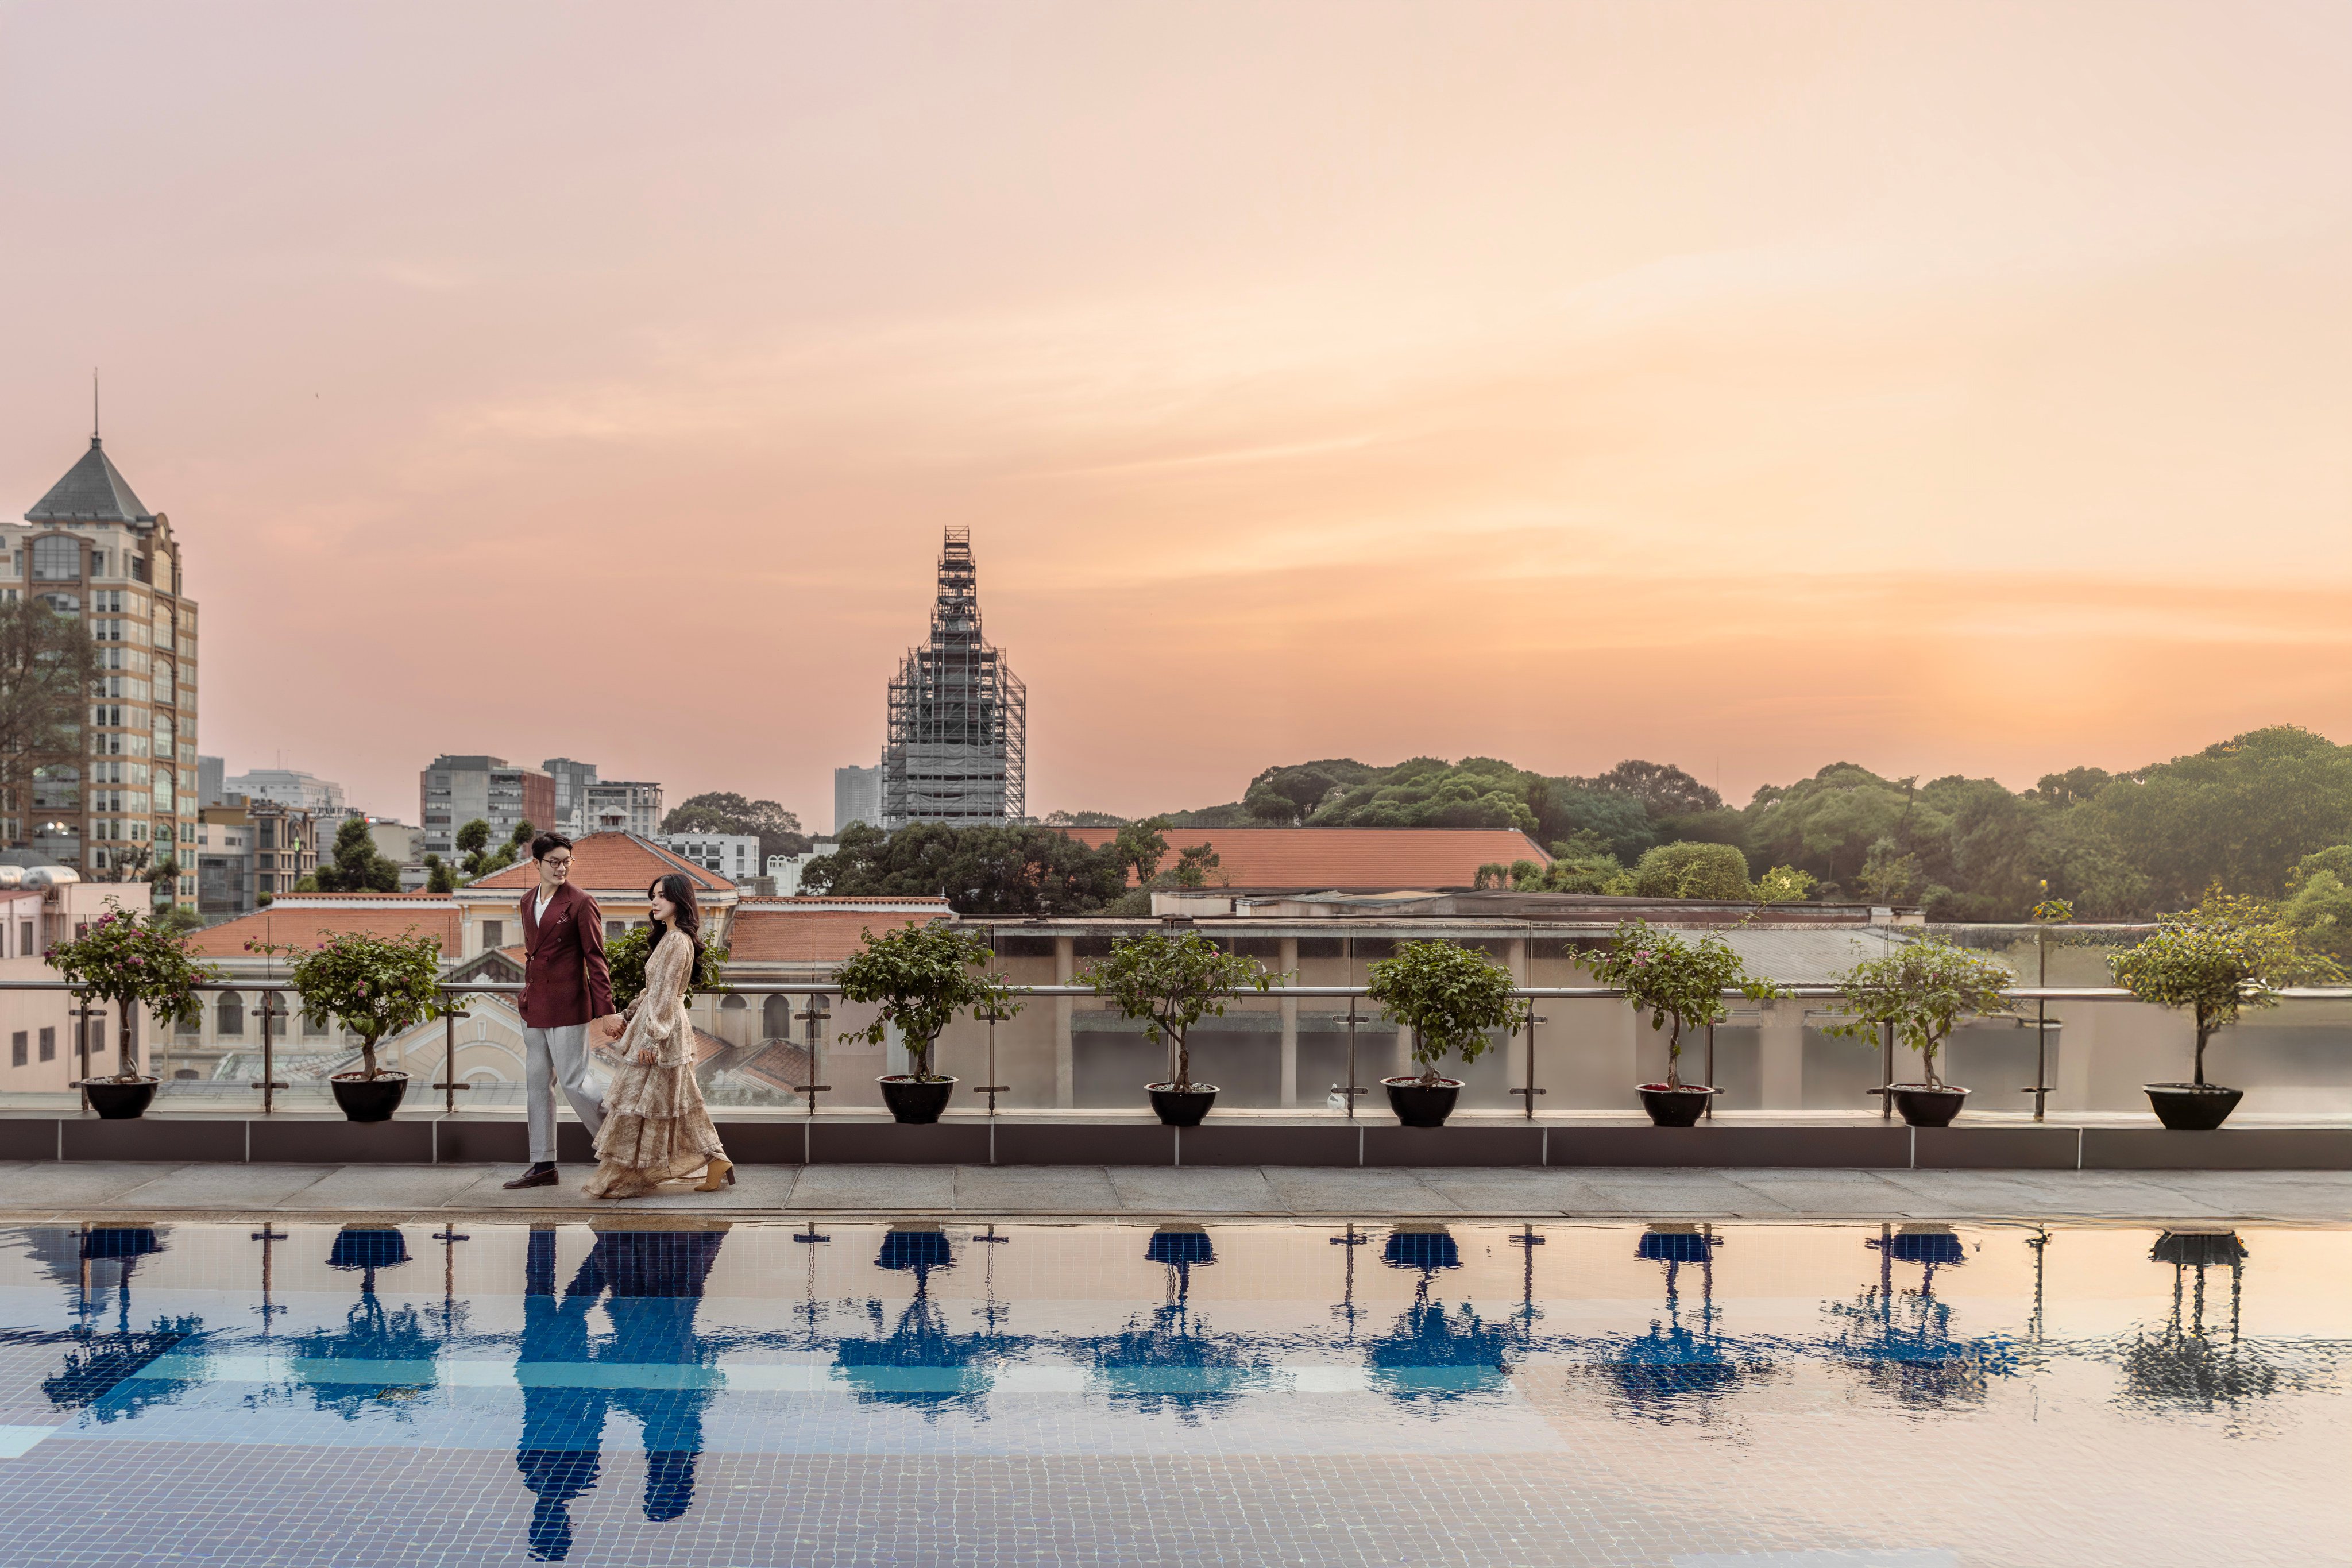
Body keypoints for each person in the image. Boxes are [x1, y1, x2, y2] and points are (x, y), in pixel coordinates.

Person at [584, 873, 732, 1198]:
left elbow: (665, 995)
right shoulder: (668, 938)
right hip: (657, 1024)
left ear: (679, 900)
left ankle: (638, 1173)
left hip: (662, 1032)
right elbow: (653, 992)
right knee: (673, 1101)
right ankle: (716, 1159)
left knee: (649, 1103)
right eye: (653, 895)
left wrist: (653, 1038)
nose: (655, 901)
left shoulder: (678, 941)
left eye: (662, 896)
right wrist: (627, 1014)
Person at [504, 832, 620, 1191]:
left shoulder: (581, 902)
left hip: (569, 1005)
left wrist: (606, 1010)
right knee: (537, 1085)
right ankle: (542, 1165)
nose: (561, 867)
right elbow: (533, 955)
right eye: (554, 861)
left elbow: (596, 959)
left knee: (574, 1082)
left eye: (567, 861)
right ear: (536, 864)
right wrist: (526, 995)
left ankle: (621, 1150)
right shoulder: (526, 900)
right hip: (535, 1005)